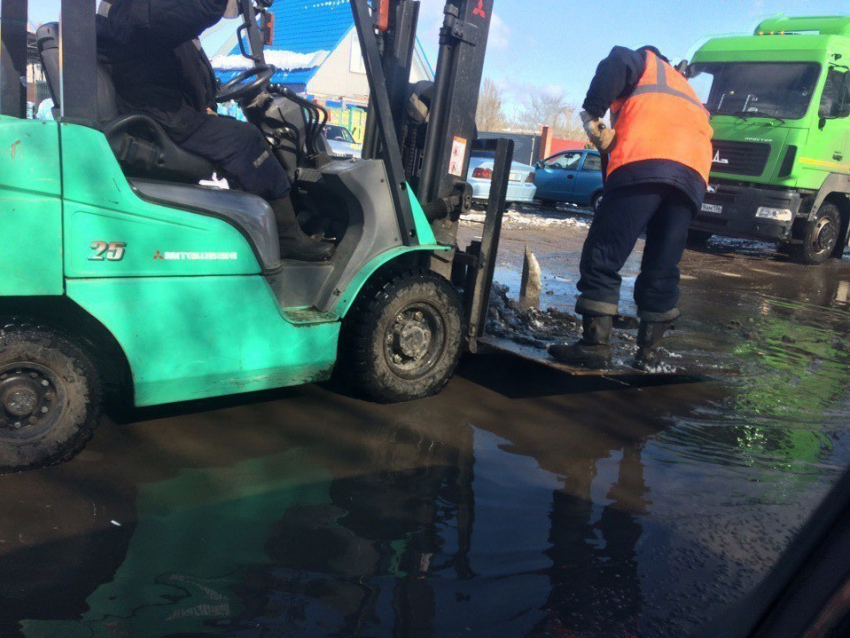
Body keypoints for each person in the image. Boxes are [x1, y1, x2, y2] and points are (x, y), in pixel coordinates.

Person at [96, 0, 333, 262]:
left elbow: (181, 70)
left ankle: (256, 225)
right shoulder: (135, 11)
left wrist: (206, 101)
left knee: (236, 134)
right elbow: (194, 10)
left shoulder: (136, 17)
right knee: (247, 140)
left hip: (165, 111)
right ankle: (288, 237)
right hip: (164, 117)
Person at [548, 45, 713, 370]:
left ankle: (595, 346)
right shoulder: (685, 89)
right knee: (662, 266)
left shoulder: (643, 62)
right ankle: (649, 354)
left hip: (647, 162)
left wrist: (592, 113)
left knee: (603, 256)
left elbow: (618, 59)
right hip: (692, 176)